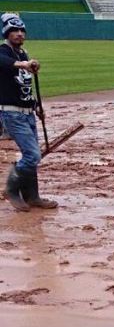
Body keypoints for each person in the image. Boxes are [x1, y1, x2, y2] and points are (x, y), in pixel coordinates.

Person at [0, 13, 58, 212]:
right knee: (33, 155)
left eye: (21, 31)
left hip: (27, 113)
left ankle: (32, 197)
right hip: (12, 114)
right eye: (14, 31)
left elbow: (24, 88)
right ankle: (11, 188)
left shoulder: (23, 53)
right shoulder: (4, 51)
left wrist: (36, 106)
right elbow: (3, 62)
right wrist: (22, 64)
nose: (19, 34)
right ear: (6, 33)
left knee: (31, 155)